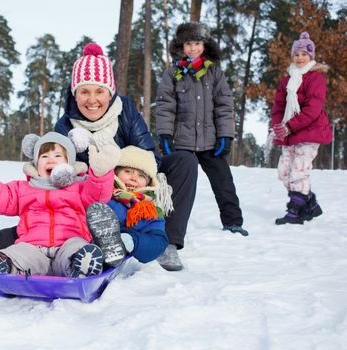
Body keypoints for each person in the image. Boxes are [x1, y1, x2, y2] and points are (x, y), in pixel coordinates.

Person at [0, 42, 168, 273]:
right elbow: (38, 176)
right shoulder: (65, 126)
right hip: (80, 197)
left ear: (110, 93)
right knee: (38, 222)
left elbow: (147, 159)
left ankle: (95, 257)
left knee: (75, 230)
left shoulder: (126, 111)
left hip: (102, 201)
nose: (92, 99)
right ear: (75, 94)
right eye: (84, 91)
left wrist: (112, 174)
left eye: (99, 91)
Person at [0, 131, 125, 277]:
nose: (51, 159)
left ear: (69, 162)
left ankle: (81, 266)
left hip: (68, 243)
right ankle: (2, 264)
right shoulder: (23, 189)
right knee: (19, 253)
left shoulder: (79, 187)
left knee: (78, 248)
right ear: (35, 163)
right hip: (33, 247)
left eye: (58, 155)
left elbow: (97, 195)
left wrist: (100, 174)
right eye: (44, 155)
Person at [155, 22, 249, 270]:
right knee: (178, 185)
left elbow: (224, 104)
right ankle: (170, 232)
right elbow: (165, 105)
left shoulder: (214, 72)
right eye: (188, 43)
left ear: (205, 45)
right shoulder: (173, 72)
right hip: (183, 141)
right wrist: (165, 134)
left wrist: (225, 135)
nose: (193, 47)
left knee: (223, 180)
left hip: (210, 141)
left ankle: (233, 221)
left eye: (197, 43)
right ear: (181, 46)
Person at [270, 32, 332, 225]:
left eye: (304, 54)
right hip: (289, 134)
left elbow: (313, 109)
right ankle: (311, 205)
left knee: (299, 172)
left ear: (311, 57)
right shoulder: (287, 80)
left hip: (310, 132)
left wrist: (289, 126)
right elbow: (278, 107)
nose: (300, 58)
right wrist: (278, 126)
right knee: (284, 172)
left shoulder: (316, 79)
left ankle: (295, 212)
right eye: (296, 54)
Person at [107, 145, 171, 263]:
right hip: (94, 239)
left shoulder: (150, 210)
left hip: (125, 245)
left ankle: (124, 243)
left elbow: (158, 240)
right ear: (116, 172)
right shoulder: (104, 194)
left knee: (160, 240)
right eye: (127, 171)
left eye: (141, 175)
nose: (133, 178)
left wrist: (133, 241)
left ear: (149, 183)